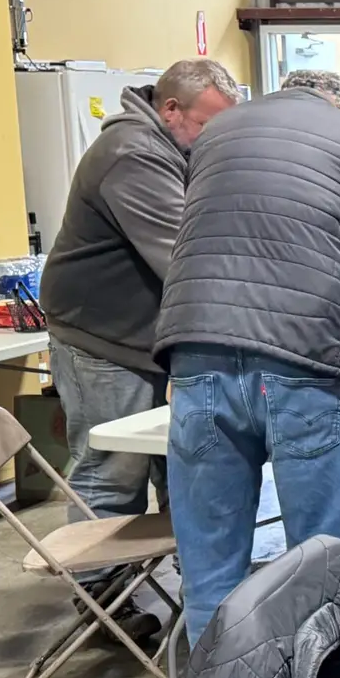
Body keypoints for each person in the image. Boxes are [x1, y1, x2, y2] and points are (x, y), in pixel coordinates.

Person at [155, 78, 340, 644]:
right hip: (309, 360)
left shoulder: (215, 135)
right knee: (319, 574)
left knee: (209, 579)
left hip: (197, 354)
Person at [40, 58, 240, 639]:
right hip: (106, 339)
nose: (215, 139)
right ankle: (100, 604)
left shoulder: (176, 149)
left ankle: (200, 583)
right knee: (112, 468)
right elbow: (184, 254)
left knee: (173, 463)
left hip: (149, 338)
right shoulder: (133, 154)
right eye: (208, 125)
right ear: (170, 110)